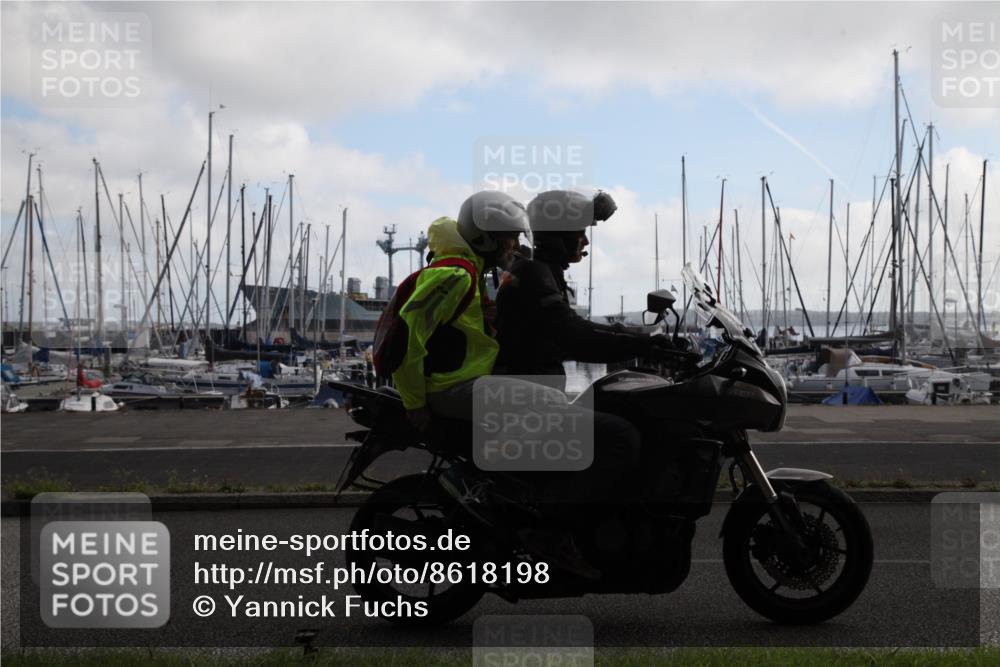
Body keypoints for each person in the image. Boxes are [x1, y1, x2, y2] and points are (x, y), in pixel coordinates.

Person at [496, 188, 675, 388]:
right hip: (526, 399)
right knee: (619, 421)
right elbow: (574, 334)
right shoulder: (532, 273)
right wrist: (646, 344)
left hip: (535, 390)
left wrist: (643, 337)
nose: (586, 241)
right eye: (580, 233)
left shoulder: (542, 269)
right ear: (557, 235)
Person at [391, 190, 529, 430]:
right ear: (485, 237)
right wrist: (414, 403)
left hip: (464, 380)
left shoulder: (471, 273)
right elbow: (407, 337)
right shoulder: (456, 276)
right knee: (551, 400)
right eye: (512, 236)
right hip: (448, 388)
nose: (516, 245)